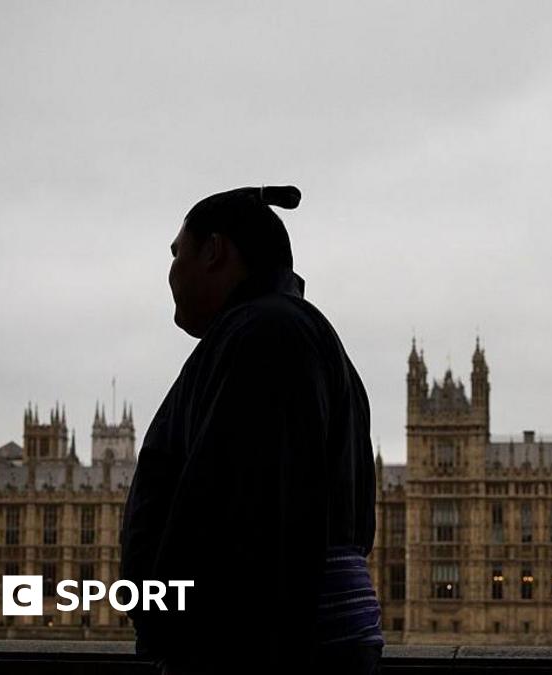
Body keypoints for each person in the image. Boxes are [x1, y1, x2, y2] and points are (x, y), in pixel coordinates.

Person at [120, 185, 383, 674]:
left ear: (214, 251)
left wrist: (177, 633)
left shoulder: (265, 335)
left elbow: (236, 511)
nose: (171, 273)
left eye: (178, 253)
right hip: (286, 638)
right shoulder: (281, 329)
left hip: (260, 654)